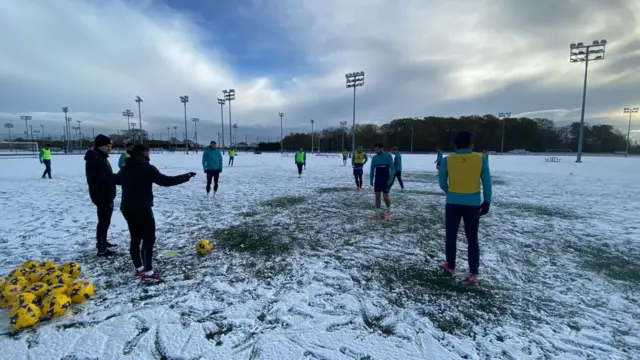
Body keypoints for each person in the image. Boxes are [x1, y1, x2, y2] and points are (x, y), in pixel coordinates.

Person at [116, 144, 196, 281]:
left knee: (135, 238)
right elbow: (165, 181)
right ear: (145, 154)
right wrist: (186, 176)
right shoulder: (147, 168)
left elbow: (117, 180)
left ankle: (139, 268)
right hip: (142, 208)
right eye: (148, 153)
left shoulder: (125, 167)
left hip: (127, 208)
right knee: (148, 239)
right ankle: (148, 272)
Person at [438, 131, 492, 285]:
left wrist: (450, 192)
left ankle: (451, 265)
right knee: (472, 238)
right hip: (473, 204)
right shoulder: (480, 158)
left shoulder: (448, 160)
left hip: (453, 202)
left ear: (455, 145)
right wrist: (487, 201)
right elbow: (487, 182)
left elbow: (442, 181)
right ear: (471, 145)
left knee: (451, 235)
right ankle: (473, 273)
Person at [84, 134, 119, 256]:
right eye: (107, 146)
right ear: (100, 146)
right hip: (102, 195)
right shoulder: (96, 159)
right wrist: (119, 178)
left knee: (104, 221)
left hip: (104, 194)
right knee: (104, 222)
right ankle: (102, 249)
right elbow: (103, 178)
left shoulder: (99, 157)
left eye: (110, 146)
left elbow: (106, 176)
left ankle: (102, 242)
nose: (110, 148)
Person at [369, 143, 394, 219]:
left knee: (385, 196)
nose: (376, 151)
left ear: (381, 148)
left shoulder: (388, 156)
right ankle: (377, 214)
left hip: (386, 179)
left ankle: (389, 210)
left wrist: (390, 179)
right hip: (378, 180)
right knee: (377, 196)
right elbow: (372, 169)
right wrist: (371, 179)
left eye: (377, 149)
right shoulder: (374, 158)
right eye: (375, 149)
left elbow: (393, 168)